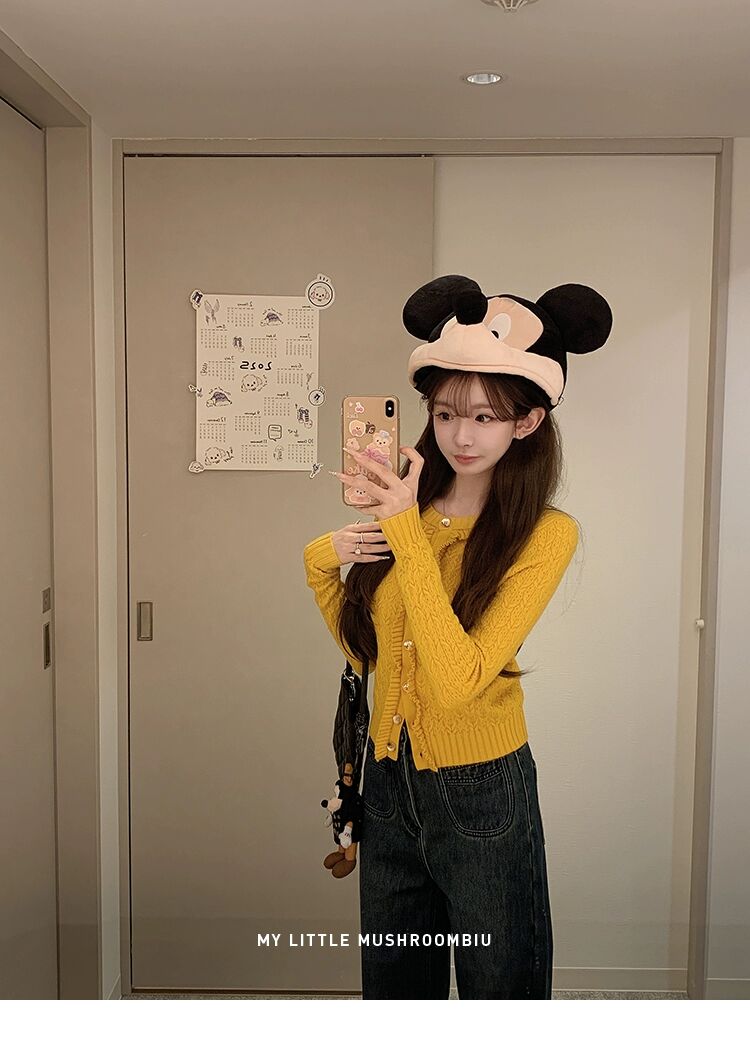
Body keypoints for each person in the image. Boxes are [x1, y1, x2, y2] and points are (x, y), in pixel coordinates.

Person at [303, 274, 613, 999]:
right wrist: (322, 559)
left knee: (499, 990)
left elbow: (458, 678)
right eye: (445, 414)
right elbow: (366, 652)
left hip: (481, 791)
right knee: (395, 989)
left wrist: (405, 533)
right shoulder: (404, 514)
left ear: (526, 423)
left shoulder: (546, 535)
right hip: (387, 778)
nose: (461, 436)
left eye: (484, 417)